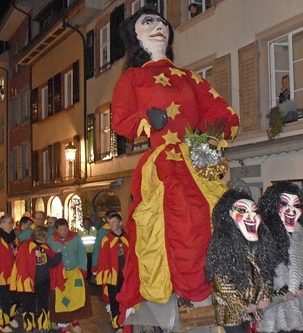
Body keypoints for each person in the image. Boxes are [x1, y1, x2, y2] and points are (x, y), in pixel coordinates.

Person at [111, 5, 240, 324]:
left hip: (198, 159)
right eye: (147, 21)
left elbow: (226, 115)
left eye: (161, 20)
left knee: (213, 218)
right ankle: (173, 295)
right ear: (135, 36)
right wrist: (146, 119)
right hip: (162, 162)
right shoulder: (134, 77)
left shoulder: (190, 78)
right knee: (169, 220)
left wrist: (209, 140)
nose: (158, 26)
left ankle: (215, 292)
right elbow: (121, 121)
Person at [205, 188, 279, 333]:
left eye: (254, 211)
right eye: (243, 211)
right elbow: (222, 283)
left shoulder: (260, 243)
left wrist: (266, 296)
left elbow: (266, 273)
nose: (251, 216)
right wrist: (243, 305)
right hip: (231, 314)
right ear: (229, 215)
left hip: (252, 311)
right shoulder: (223, 243)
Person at [258, 181, 303, 333]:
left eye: (296, 206)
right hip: (276, 305)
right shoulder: (265, 234)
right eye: (285, 204)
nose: (291, 210)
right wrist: (280, 289)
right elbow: (262, 267)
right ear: (274, 206)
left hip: (300, 303)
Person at [11, 226, 65, 333]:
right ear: (41, 235)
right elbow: (21, 266)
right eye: (46, 235)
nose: (47, 237)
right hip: (29, 282)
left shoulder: (45, 247)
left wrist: (58, 256)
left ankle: (43, 325)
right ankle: (30, 325)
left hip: (43, 281)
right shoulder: (25, 247)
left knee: (43, 303)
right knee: (28, 304)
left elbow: (50, 263)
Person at [47, 218, 91, 333]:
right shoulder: (50, 240)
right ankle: (63, 325)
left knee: (76, 297)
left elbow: (82, 254)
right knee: (62, 300)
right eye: (61, 230)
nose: (64, 231)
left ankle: (75, 320)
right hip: (60, 276)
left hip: (75, 273)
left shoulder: (76, 238)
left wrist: (83, 270)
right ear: (56, 230)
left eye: (65, 228)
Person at [95, 212, 129, 333]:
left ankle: (126, 321)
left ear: (120, 223)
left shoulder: (127, 238)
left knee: (126, 298)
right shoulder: (106, 239)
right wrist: (101, 273)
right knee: (114, 300)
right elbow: (103, 258)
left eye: (114, 221)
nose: (112, 224)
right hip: (112, 275)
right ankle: (116, 323)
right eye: (109, 222)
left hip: (126, 274)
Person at [77, 217, 97, 282]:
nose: (87, 224)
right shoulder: (80, 231)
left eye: (88, 222)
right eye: (85, 222)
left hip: (92, 251)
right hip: (84, 252)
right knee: (85, 265)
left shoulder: (94, 230)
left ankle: (91, 278)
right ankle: (86, 279)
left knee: (91, 265)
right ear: (83, 223)